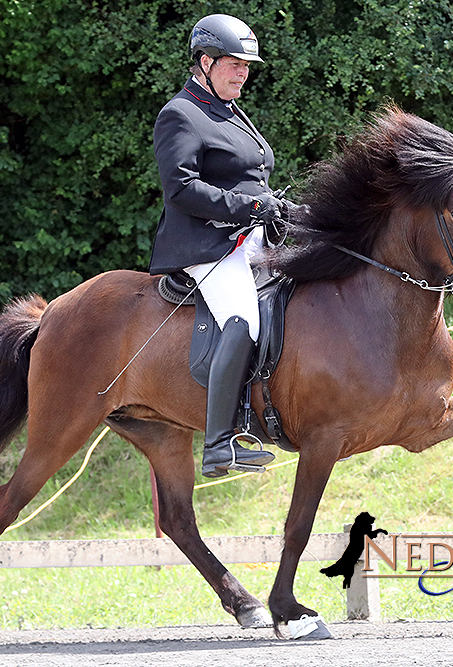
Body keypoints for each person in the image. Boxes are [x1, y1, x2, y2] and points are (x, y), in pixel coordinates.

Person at [149, 14, 280, 478]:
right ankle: (219, 443)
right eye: (234, 63)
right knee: (243, 318)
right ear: (205, 62)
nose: (243, 71)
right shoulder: (180, 114)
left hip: (252, 234)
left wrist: (278, 208)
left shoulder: (229, 108)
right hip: (208, 245)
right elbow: (181, 189)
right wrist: (248, 208)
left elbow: (252, 177)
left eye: (247, 65)